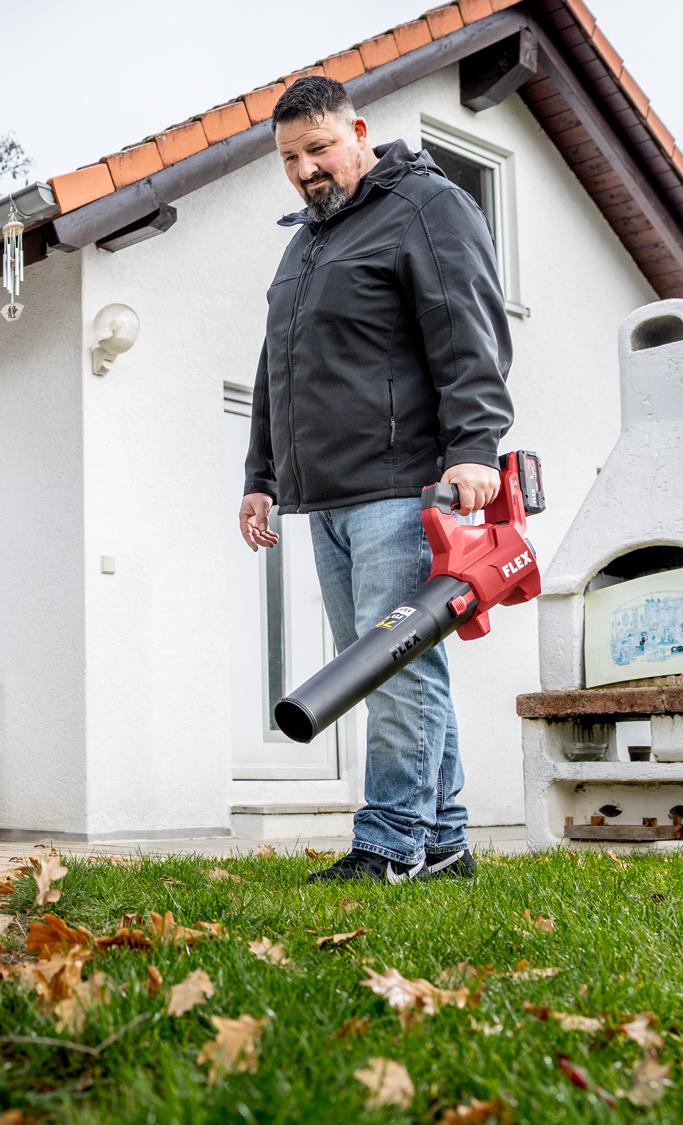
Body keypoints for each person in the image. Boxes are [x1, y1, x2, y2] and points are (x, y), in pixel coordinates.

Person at [237, 77, 514, 884]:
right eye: (290, 158)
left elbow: (471, 329)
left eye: (318, 148)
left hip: (401, 487)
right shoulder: (304, 241)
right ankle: (447, 839)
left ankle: (389, 843)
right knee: (400, 664)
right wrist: (261, 474)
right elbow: (275, 369)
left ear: (359, 132)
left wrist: (475, 447)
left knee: (394, 666)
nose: (305, 169)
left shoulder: (426, 206)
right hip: (321, 495)